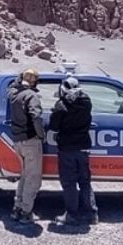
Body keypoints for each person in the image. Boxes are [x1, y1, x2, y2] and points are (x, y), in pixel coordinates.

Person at [49, 76, 98, 226]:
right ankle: (91, 214)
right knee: (84, 181)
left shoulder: (61, 106)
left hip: (67, 148)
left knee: (69, 182)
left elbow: (54, 126)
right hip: (83, 147)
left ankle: (72, 214)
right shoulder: (86, 102)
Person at [8, 68, 45, 224]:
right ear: (34, 81)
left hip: (18, 141)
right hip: (30, 141)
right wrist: (41, 134)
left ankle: (17, 208)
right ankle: (26, 212)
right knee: (33, 178)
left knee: (24, 176)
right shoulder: (31, 95)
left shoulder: (13, 94)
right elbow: (35, 116)